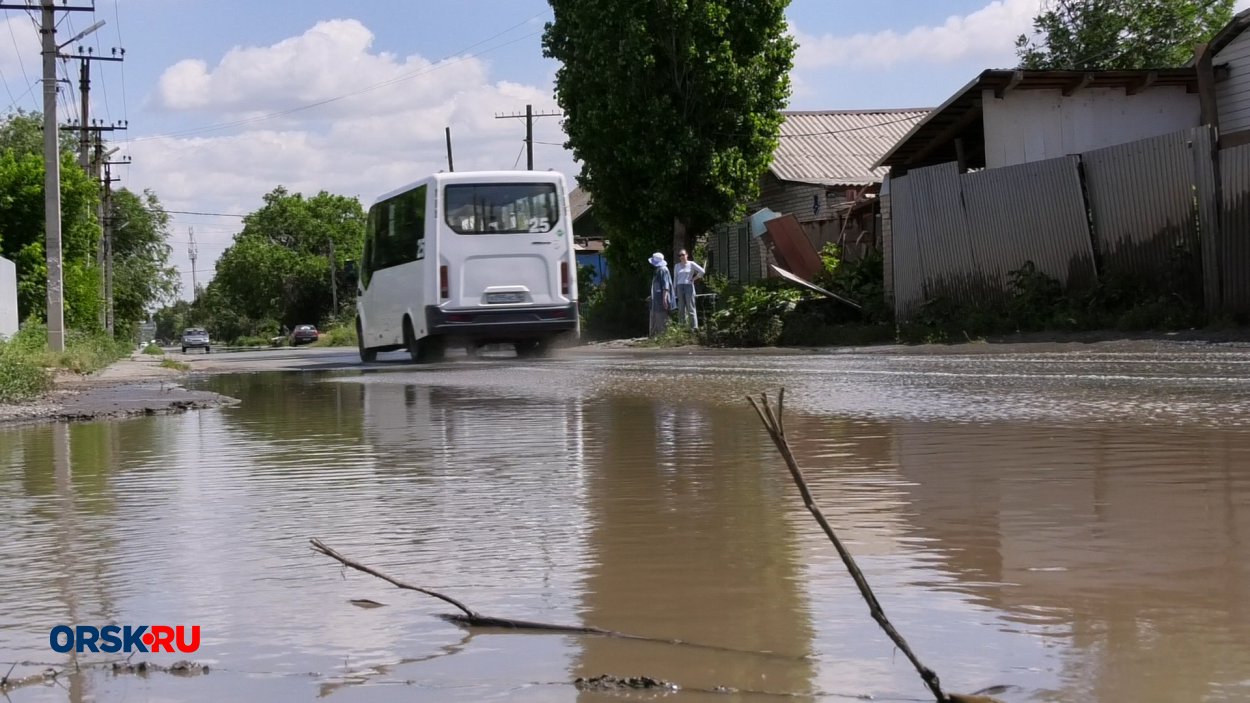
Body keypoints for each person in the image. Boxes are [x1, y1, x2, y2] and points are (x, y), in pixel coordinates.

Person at [672, 249, 706, 328]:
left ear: (687, 255)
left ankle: (694, 327)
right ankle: (682, 327)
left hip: (688, 286)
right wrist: (674, 290)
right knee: (681, 308)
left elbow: (702, 271)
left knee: (690, 307)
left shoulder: (691, 264)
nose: (681, 257)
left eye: (683, 255)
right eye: (680, 255)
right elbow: (675, 279)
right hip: (680, 287)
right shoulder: (677, 266)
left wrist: (694, 279)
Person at [647, 252, 672, 337]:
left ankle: (662, 335)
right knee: (655, 316)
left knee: (661, 317)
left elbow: (665, 286)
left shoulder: (663, 270)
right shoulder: (658, 270)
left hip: (661, 298)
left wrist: (664, 298)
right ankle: (655, 335)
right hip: (656, 298)